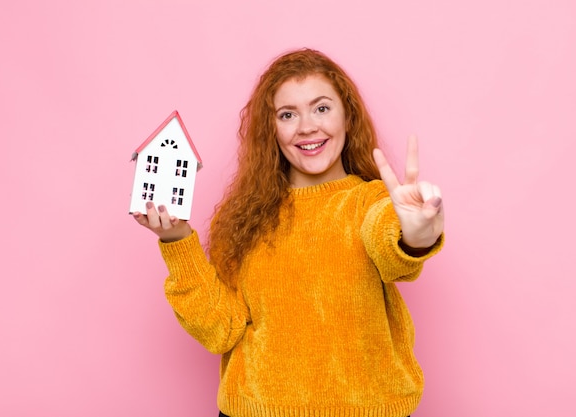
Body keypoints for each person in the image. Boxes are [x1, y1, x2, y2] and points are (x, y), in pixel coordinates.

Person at [132, 48, 444, 417]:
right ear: (271, 129)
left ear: (348, 116)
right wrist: (177, 241)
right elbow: (221, 330)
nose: (307, 126)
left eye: (322, 108)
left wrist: (417, 233)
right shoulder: (244, 217)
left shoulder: (373, 202)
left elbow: (392, 246)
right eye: (287, 114)